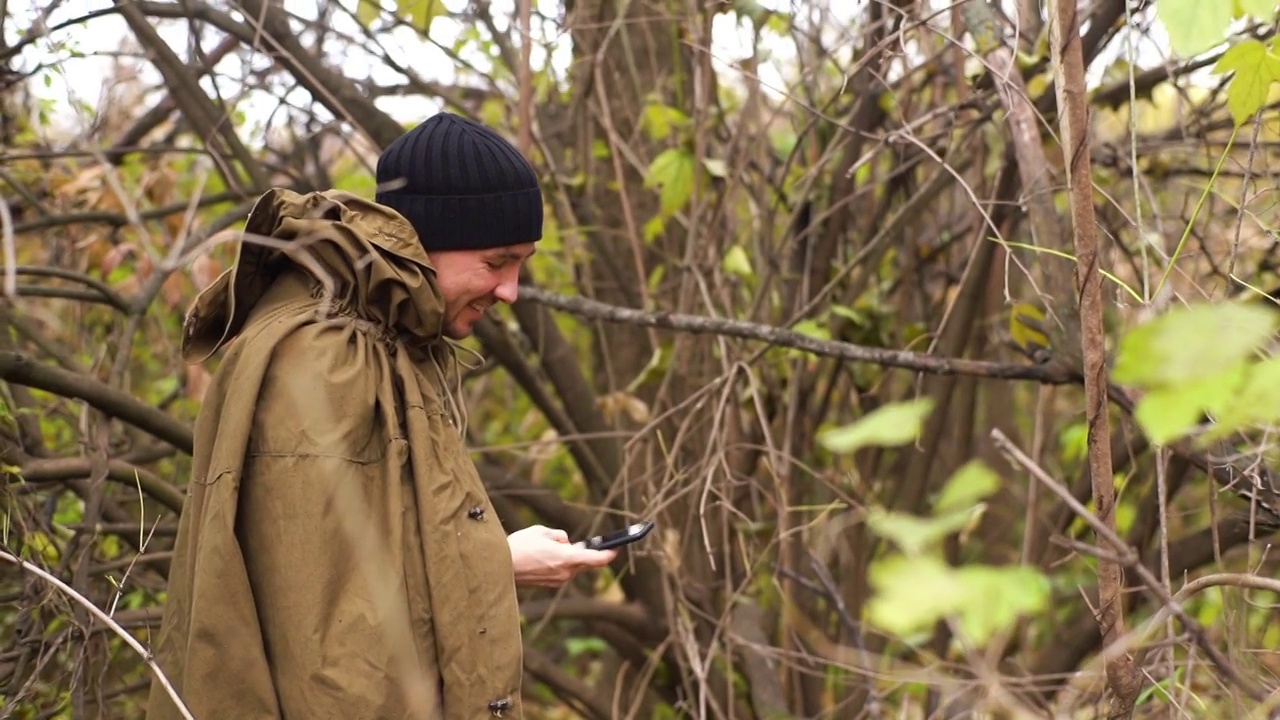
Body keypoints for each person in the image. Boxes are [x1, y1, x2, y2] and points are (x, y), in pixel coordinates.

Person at [145, 112, 618, 720]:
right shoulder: (324, 360)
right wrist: (496, 564)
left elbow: (369, 566)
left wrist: (494, 558)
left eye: (521, 263)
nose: (511, 292)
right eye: (496, 262)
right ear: (426, 244)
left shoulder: (392, 343)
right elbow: (328, 638)